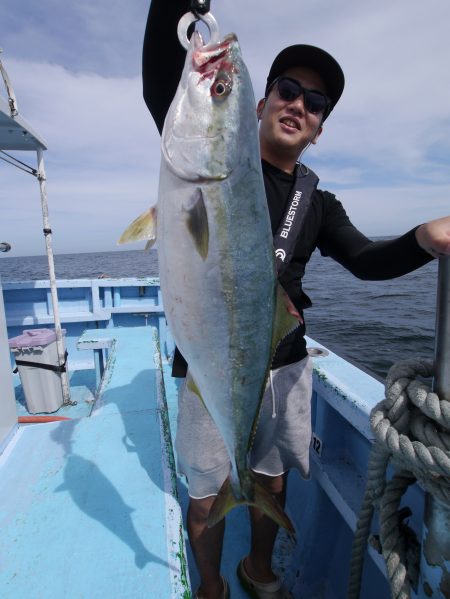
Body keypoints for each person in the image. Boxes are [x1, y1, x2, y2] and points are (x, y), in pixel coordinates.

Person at [142, 2, 450, 598]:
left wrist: (424, 239)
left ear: (319, 127)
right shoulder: (207, 157)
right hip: (210, 367)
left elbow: (366, 261)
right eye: (287, 89)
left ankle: (258, 571)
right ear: (259, 105)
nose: (298, 105)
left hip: (283, 368)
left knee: (272, 483)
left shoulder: (319, 204)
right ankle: (211, 586)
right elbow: (162, 76)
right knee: (205, 494)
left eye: (315, 103)